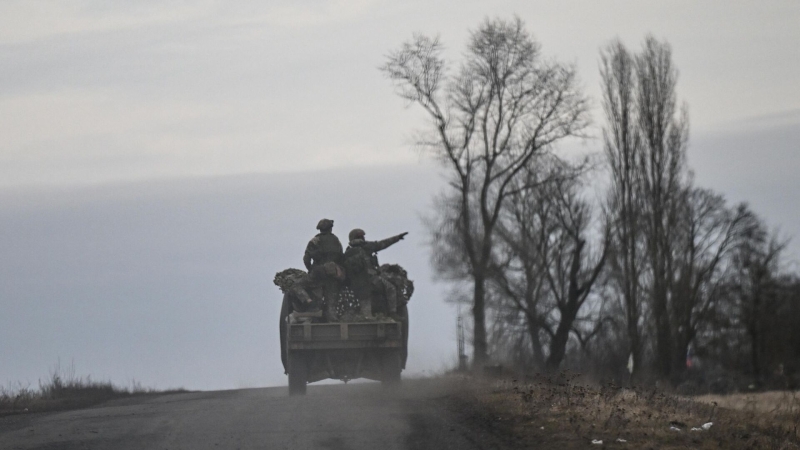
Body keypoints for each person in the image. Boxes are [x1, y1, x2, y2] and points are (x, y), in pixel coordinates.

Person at [343, 228, 407, 319]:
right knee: (391, 288)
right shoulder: (367, 246)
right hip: (372, 279)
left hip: (355, 284)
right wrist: (397, 238)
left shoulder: (348, 252)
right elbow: (382, 244)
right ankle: (392, 313)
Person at [303, 219, 345, 321]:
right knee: (331, 299)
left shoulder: (315, 241)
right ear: (330, 228)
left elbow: (306, 259)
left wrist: (311, 270)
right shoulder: (336, 240)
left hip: (318, 273)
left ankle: (315, 317)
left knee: (316, 296)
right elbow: (341, 257)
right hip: (332, 274)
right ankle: (332, 319)